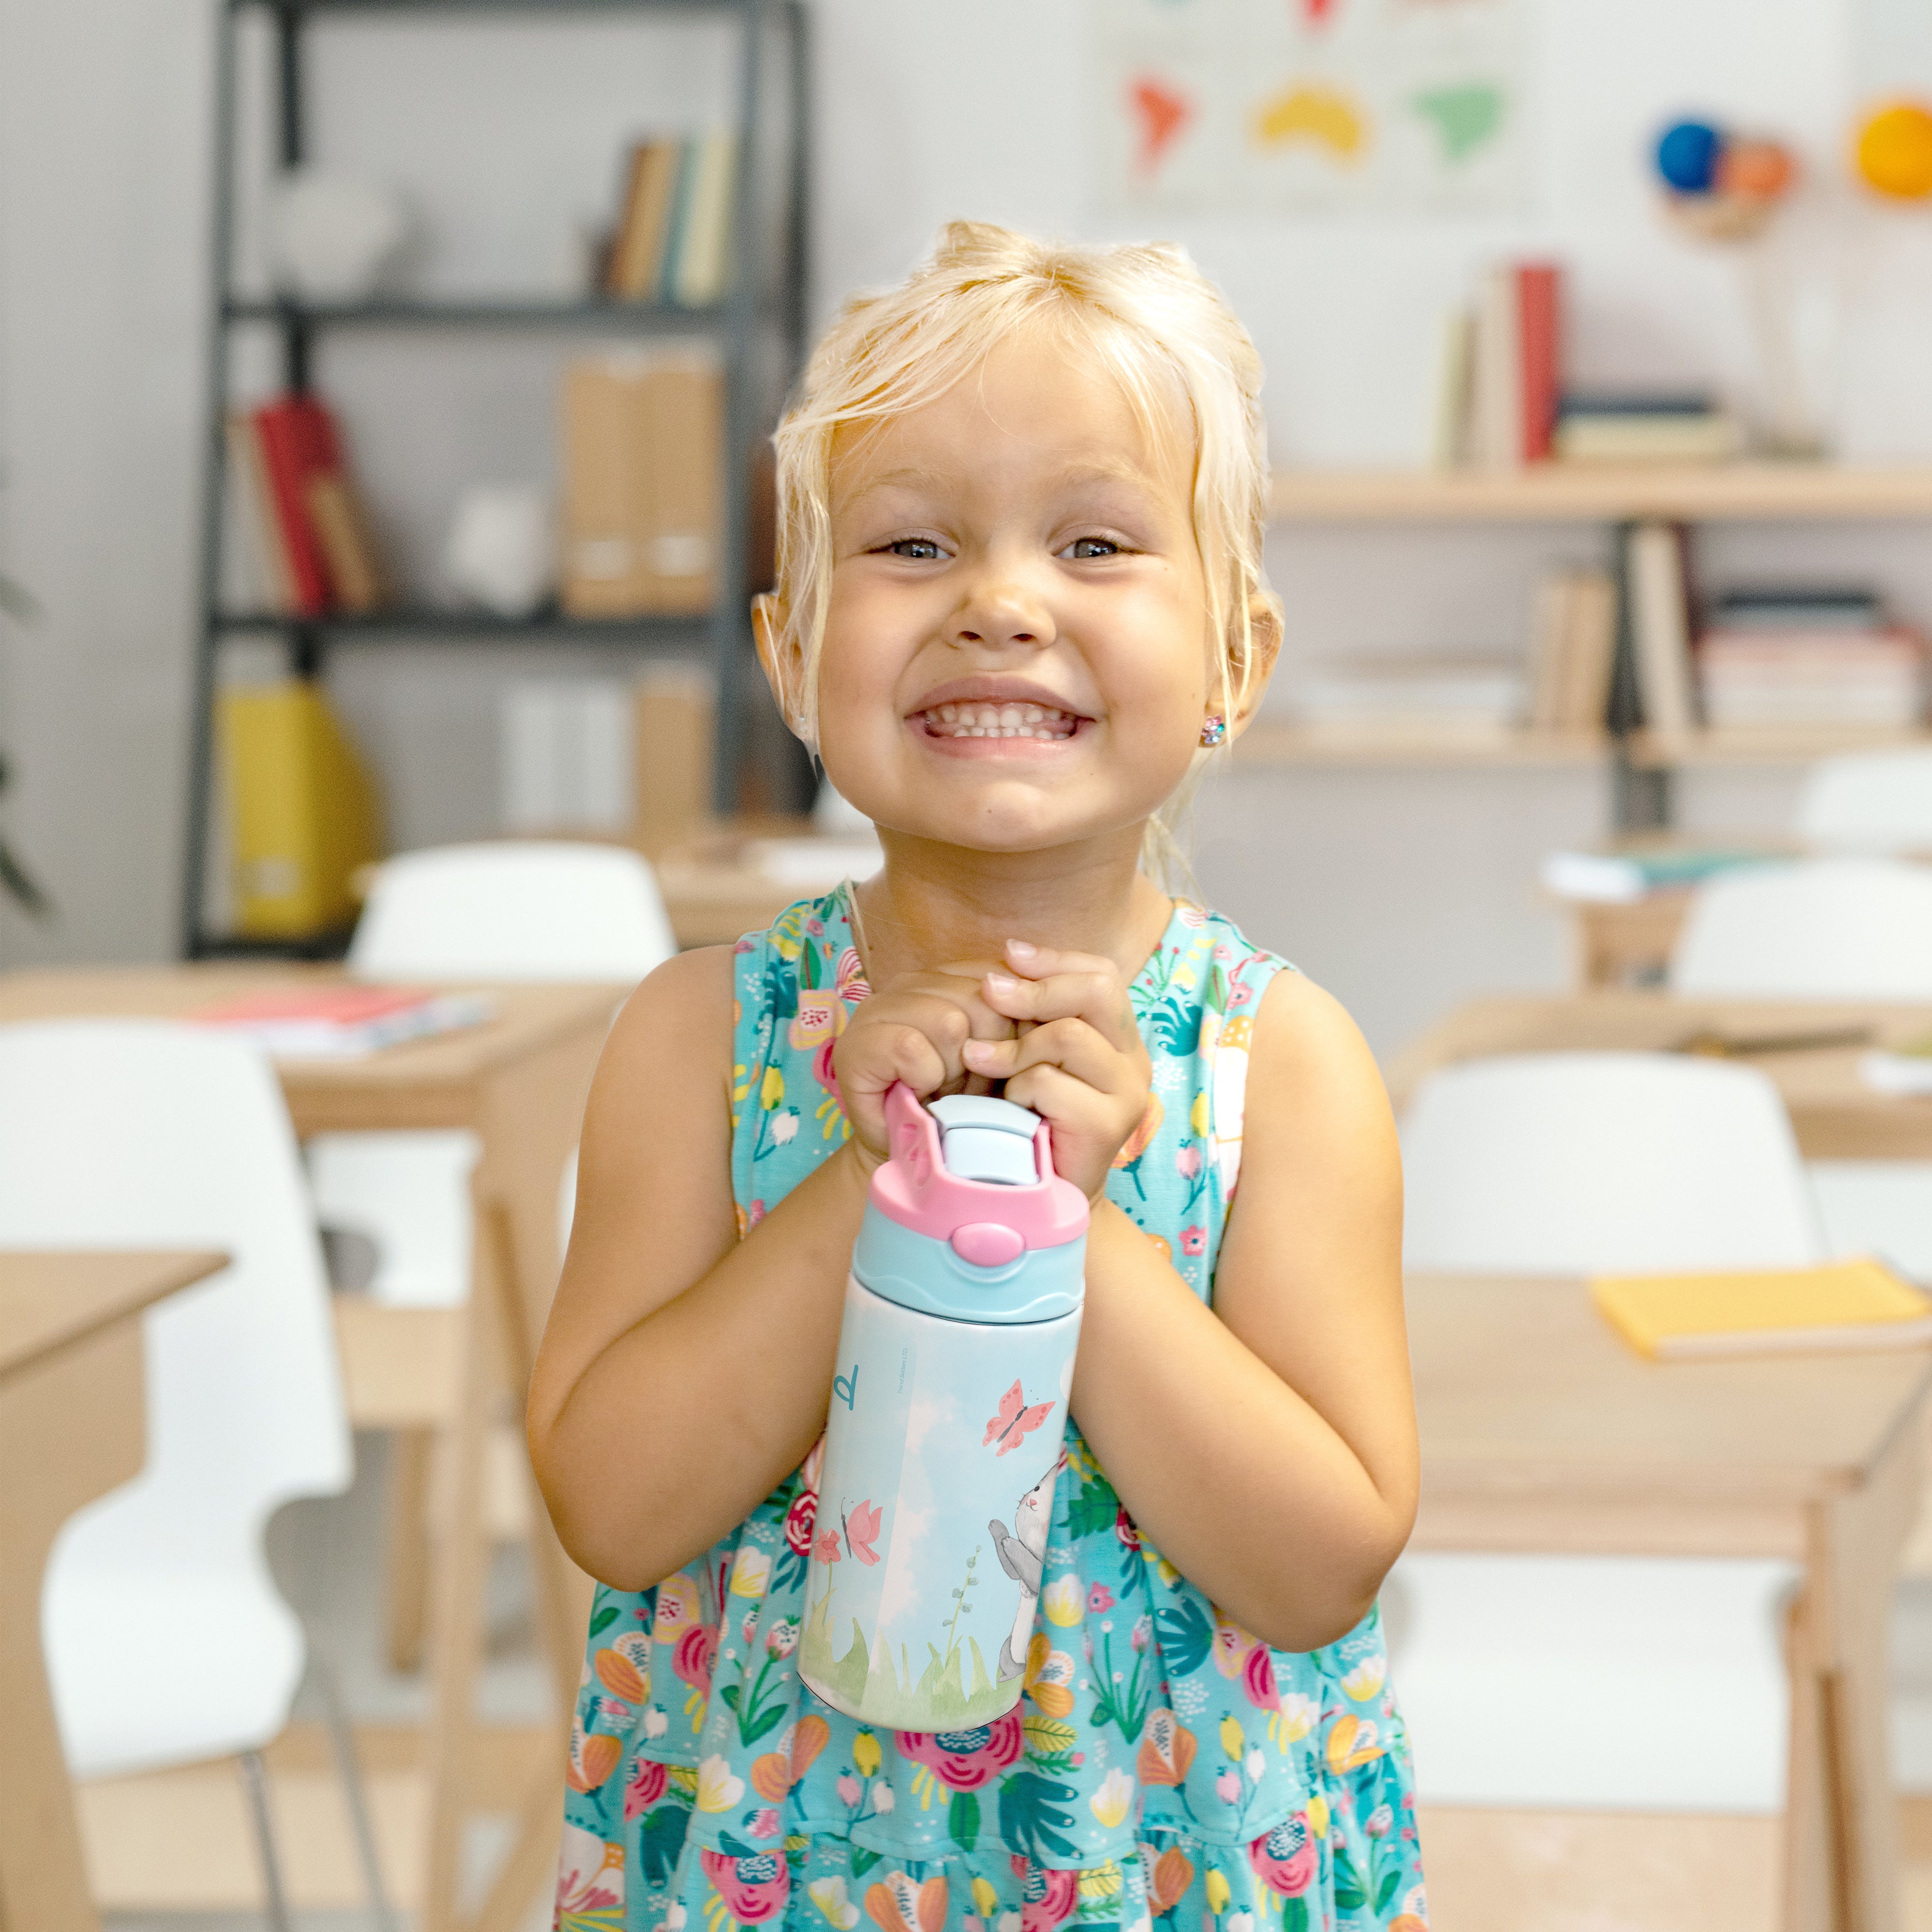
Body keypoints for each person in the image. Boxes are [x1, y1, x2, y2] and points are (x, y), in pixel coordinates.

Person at [528, 223, 1424, 1932]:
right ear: (793, 656)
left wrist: (1073, 1228)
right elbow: (614, 1508)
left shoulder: (1280, 1065)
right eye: (913, 544)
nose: (1001, 602)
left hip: (1174, 1879)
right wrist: (874, 1190)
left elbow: (1318, 1566)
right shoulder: (696, 1038)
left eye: (1094, 542)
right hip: (768, 1879)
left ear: (1236, 656)